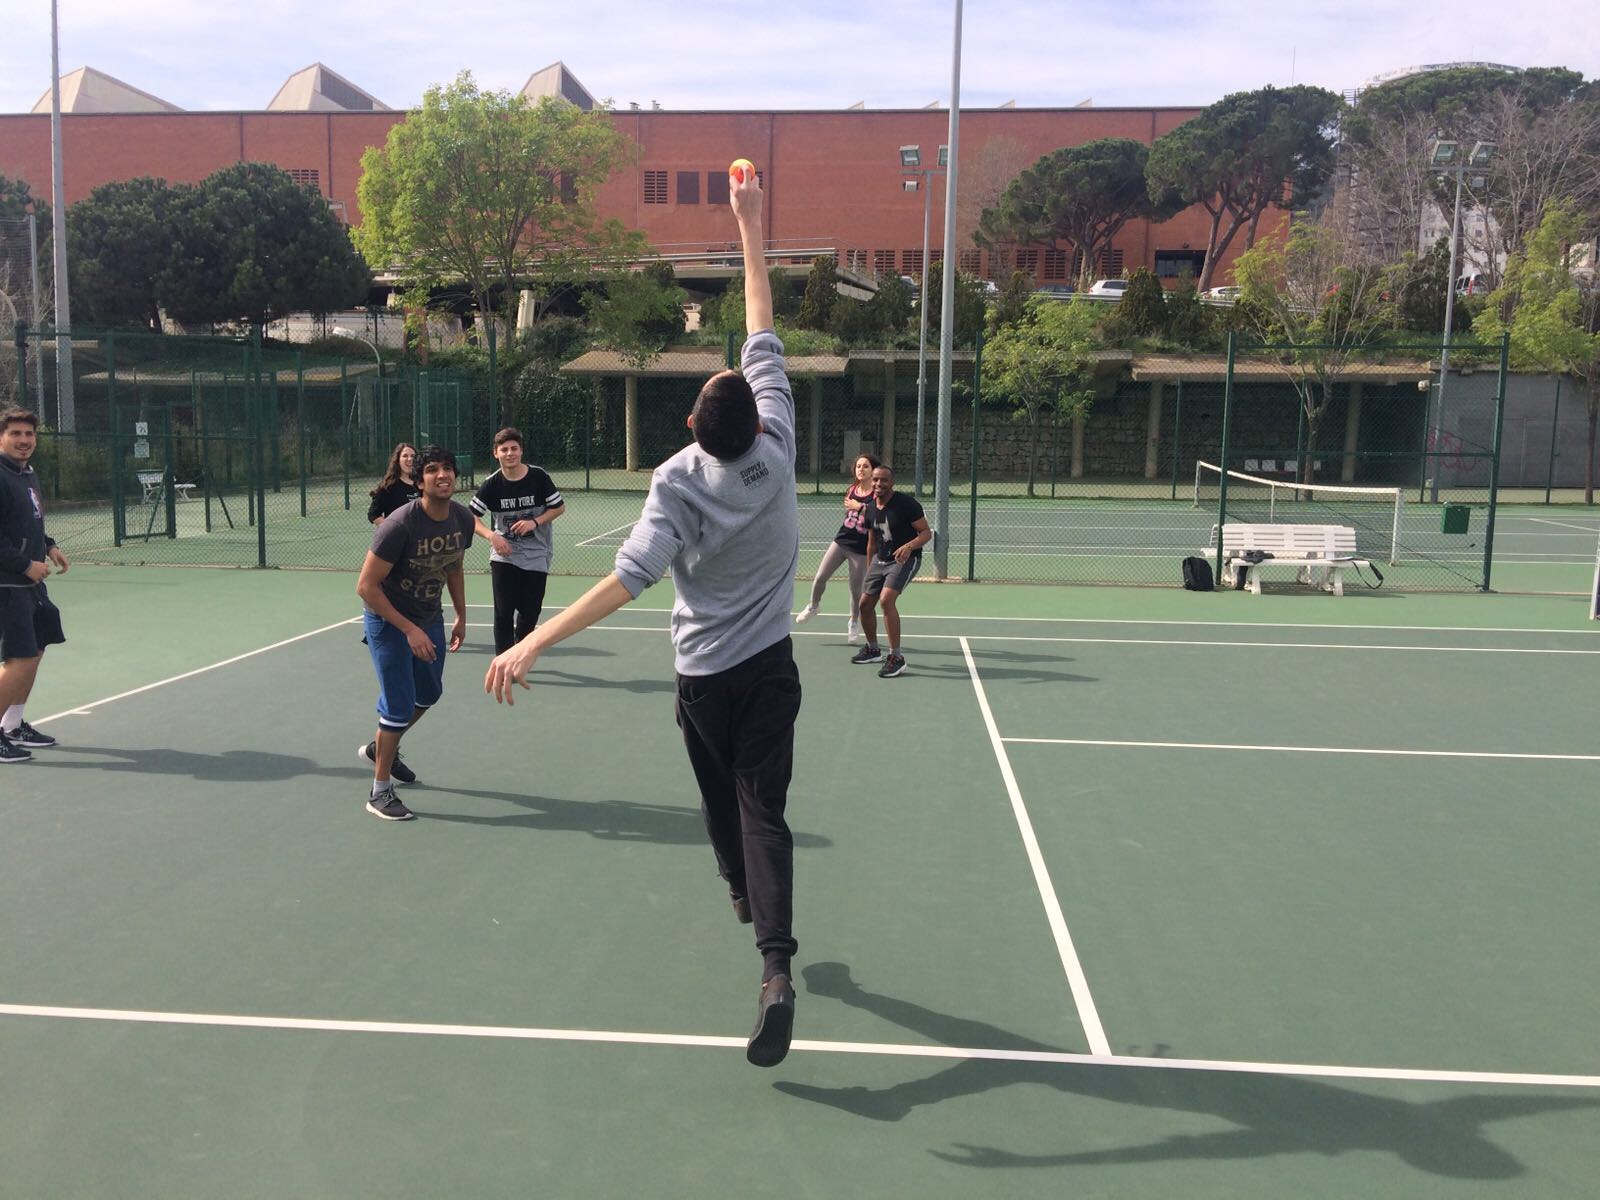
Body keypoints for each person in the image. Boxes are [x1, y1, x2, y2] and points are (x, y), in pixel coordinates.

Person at [485, 165, 801, 1068]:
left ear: (696, 427)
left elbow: (627, 579)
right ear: (756, 417)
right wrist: (750, 221)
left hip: (704, 680)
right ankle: (775, 968)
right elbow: (760, 318)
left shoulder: (675, 482)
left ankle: (738, 892)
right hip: (771, 669)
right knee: (763, 811)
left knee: (719, 808)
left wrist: (535, 638)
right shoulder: (780, 444)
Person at [355, 445, 474, 820]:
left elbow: (453, 566)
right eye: (432, 469)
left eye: (448, 468)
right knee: (398, 705)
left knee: (429, 693)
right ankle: (379, 792)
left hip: (429, 616)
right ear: (420, 482)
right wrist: (408, 629)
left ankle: (381, 747)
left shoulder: (463, 519)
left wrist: (461, 614)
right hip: (388, 619)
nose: (443, 475)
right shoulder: (400, 525)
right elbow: (366, 587)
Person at [0, 408, 69, 765]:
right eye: (15, 433)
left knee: (36, 649)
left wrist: (49, 545)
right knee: (19, 658)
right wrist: (26, 565)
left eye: (29, 434)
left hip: (31, 585)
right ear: (1, 437)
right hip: (9, 584)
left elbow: (30, 521)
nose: (24, 440)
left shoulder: (26, 474)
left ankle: (12, 725)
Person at [469, 428, 565, 654]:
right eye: (504, 450)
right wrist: (492, 536)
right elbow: (470, 517)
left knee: (531, 611)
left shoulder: (538, 477)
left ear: (521, 451)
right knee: (503, 612)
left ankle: (520, 651)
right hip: (504, 555)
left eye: (514, 448)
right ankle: (504, 660)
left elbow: (559, 507)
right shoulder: (492, 484)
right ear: (496, 453)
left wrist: (535, 522)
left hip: (537, 553)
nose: (509, 453)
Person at [852, 463, 931, 679]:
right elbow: (872, 541)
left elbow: (926, 533)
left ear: (892, 482)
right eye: (876, 479)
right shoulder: (869, 507)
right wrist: (870, 567)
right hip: (880, 560)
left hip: (905, 559)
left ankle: (896, 657)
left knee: (886, 600)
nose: (879, 483)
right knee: (864, 604)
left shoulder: (906, 504)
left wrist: (909, 546)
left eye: (884, 480)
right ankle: (873, 649)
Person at [794, 453, 877, 643]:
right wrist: (855, 509)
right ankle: (814, 606)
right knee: (820, 577)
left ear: (873, 470)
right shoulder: (852, 489)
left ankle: (854, 621)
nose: (861, 469)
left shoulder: (876, 493)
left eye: (865, 466)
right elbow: (849, 513)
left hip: (860, 549)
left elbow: (879, 515)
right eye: (858, 466)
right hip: (841, 541)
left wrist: (860, 507)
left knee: (856, 591)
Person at [366, 442, 420, 524]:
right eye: (405, 456)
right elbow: (373, 515)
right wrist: (392, 528)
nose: (410, 459)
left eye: (413, 456)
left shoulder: (422, 484)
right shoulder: (388, 486)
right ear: (398, 460)